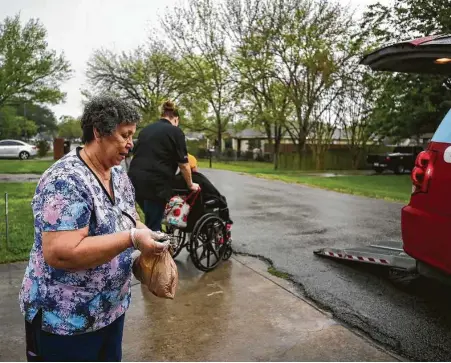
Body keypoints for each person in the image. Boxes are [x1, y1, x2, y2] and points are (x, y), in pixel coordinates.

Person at [19, 96, 169, 362]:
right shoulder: (66, 181)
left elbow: (128, 218)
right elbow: (61, 254)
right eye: (124, 135)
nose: (130, 143)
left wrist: (151, 237)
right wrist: (132, 238)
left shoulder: (118, 174)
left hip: (110, 310)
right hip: (66, 322)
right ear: (98, 132)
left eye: (132, 135)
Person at [128, 100, 199, 231]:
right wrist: (190, 184)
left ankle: (150, 242)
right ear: (176, 119)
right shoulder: (176, 132)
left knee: (151, 218)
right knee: (154, 226)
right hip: (155, 185)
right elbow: (184, 165)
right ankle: (154, 248)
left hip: (134, 181)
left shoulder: (145, 130)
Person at [172, 153, 232, 223]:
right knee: (221, 199)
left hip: (180, 211)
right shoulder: (198, 177)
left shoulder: (175, 179)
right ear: (193, 166)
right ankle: (227, 221)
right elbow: (213, 191)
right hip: (197, 210)